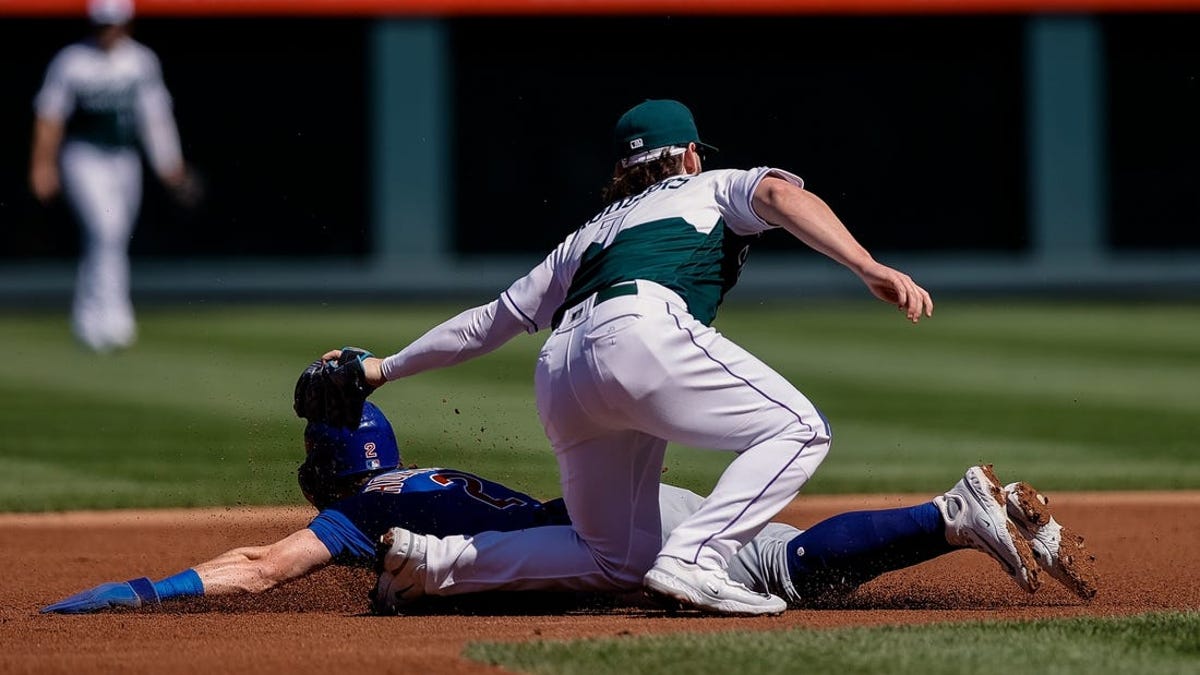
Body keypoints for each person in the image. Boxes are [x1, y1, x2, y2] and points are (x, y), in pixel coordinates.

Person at [336, 98, 939, 616]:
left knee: (614, 557)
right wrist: (867, 265)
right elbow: (779, 193)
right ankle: (695, 559)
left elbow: (489, 323)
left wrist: (381, 368)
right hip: (642, 333)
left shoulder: (589, 234)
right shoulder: (709, 185)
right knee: (801, 429)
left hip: (561, 369)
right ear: (686, 155)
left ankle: (430, 563)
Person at [41, 403, 1097, 614]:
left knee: (785, 575)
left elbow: (260, 569)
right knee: (785, 553)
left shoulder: (359, 518)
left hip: (611, 536)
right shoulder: (421, 478)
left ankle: (956, 518)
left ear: (324, 476)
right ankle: (948, 511)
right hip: (633, 504)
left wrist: (136, 589)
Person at [29, 0, 196, 353]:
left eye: (113, 23)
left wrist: (170, 163)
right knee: (106, 230)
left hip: (125, 157)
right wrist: (42, 164)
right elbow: (50, 116)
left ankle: (96, 316)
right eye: (101, 23)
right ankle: (107, 319)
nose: (107, 30)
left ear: (126, 24)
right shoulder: (72, 61)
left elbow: (155, 117)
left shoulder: (140, 60)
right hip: (83, 156)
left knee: (115, 236)